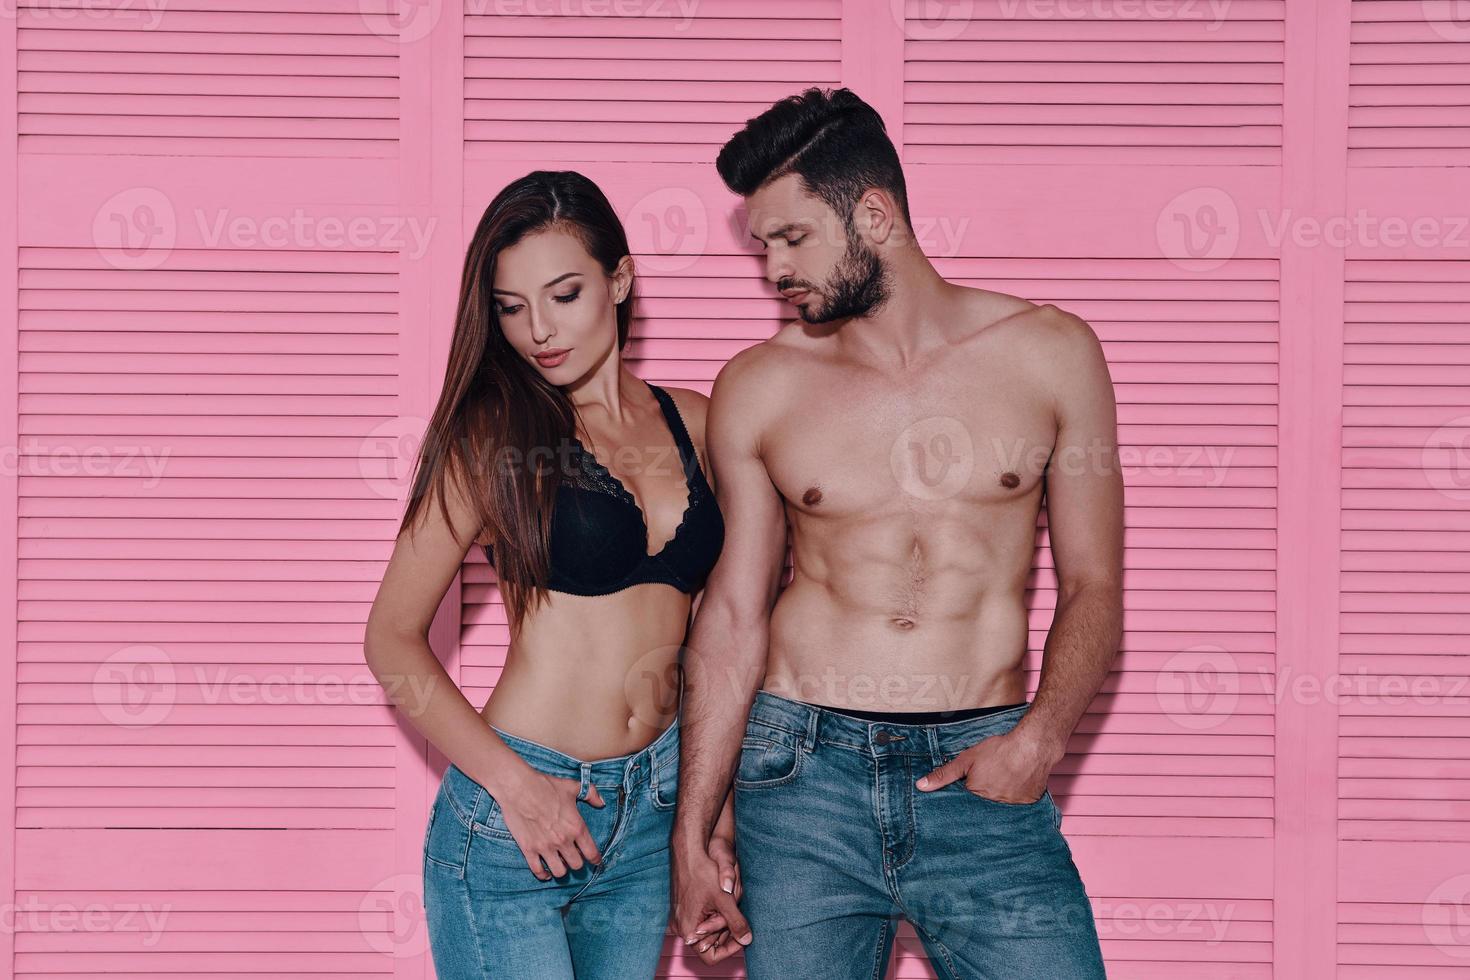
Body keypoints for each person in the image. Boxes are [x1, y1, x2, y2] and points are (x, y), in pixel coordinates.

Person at [669, 87, 1119, 978]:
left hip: (981, 773)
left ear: (874, 214)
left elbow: (1093, 586)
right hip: (798, 780)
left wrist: (1040, 738)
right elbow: (731, 615)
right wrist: (695, 828)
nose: (774, 269)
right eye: (763, 246)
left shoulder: (1053, 353)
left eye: (793, 238)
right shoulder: (760, 387)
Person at [363, 170, 739, 979]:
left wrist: (708, 826)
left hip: (651, 812)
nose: (538, 329)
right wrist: (516, 787)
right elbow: (391, 639)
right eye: (510, 306)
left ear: (620, 278)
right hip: (517, 818)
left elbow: (720, 642)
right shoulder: (492, 436)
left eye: (563, 294)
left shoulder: (700, 422)